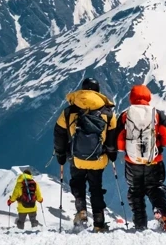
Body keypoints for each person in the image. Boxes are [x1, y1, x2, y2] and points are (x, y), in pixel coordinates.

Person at [53, 78, 118, 232]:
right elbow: (111, 139)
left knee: (78, 184)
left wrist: (61, 154)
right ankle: (99, 223)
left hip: (76, 158)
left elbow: (59, 133)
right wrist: (112, 155)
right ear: (98, 92)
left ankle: (81, 211)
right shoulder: (108, 114)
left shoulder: (69, 112)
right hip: (98, 159)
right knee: (96, 188)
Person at [116, 85, 166, 231]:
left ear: (131, 97)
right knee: (155, 188)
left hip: (132, 163)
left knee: (135, 192)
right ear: (148, 97)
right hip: (153, 161)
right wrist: (158, 143)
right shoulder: (156, 114)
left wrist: (129, 148)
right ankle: (159, 210)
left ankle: (140, 225)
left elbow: (117, 142)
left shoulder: (125, 115)